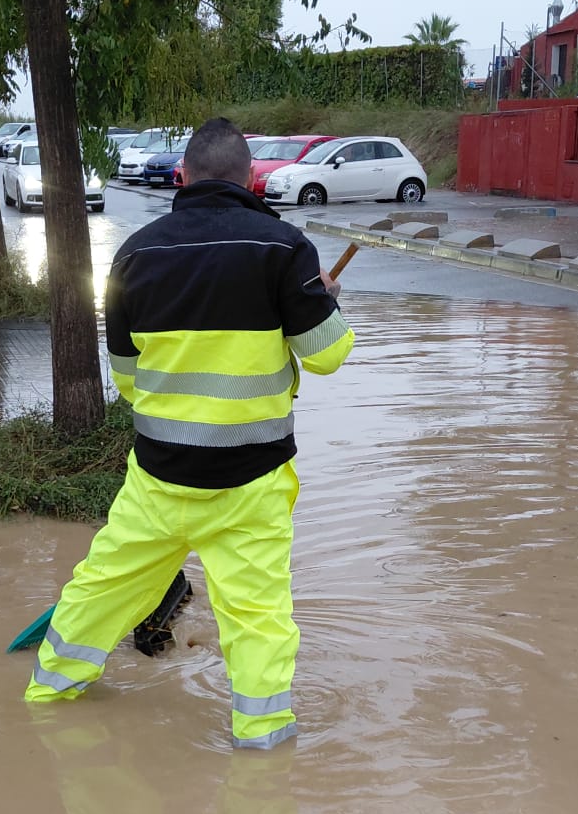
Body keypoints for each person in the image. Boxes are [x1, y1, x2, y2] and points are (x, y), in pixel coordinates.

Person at [25, 116, 354, 747]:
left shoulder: (134, 254)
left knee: (101, 590)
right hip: (252, 486)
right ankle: (261, 747)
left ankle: (49, 695)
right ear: (251, 177)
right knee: (258, 619)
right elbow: (327, 354)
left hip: (158, 481)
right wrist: (323, 301)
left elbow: (125, 377)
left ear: (183, 176)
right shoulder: (286, 249)